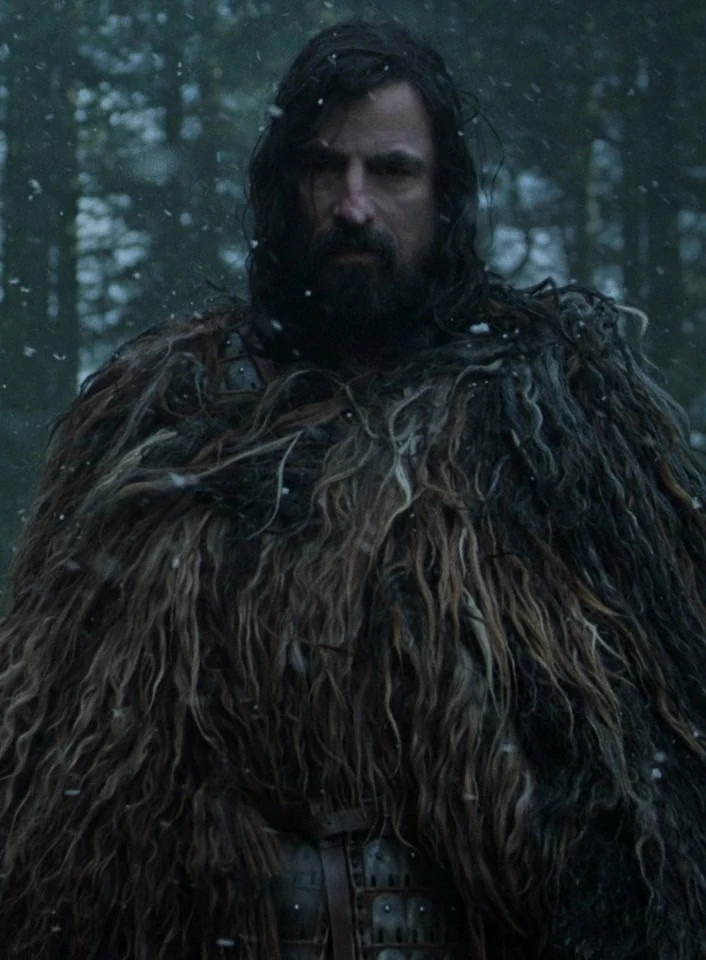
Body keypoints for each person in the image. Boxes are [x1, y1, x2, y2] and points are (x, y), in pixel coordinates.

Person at [0, 18, 705, 960]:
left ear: (444, 195)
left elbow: (646, 778)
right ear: (281, 186)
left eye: (393, 171)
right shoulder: (158, 415)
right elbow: (58, 769)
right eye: (323, 168)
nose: (354, 205)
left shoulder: (560, 423)